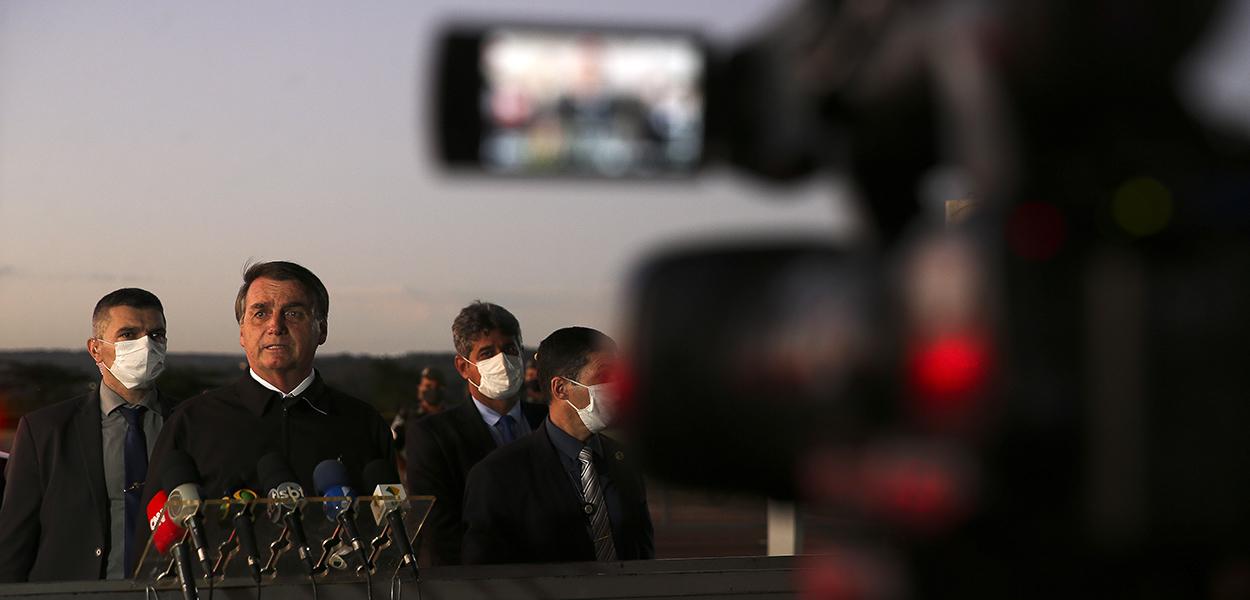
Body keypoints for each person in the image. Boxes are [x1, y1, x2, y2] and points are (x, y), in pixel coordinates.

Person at [143, 261, 393, 506]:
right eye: (260, 313)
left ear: (322, 329)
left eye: (293, 313)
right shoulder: (192, 422)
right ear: (242, 331)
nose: (275, 326)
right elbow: (154, 540)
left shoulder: (363, 424)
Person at [0, 288, 179, 582]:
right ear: (96, 348)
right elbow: (14, 542)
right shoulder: (45, 430)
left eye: (156, 335)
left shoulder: (189, 423)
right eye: (129, 335)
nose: (146, 346)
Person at [462, 327, 654, 565]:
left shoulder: (624, 460)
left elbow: (643, 553)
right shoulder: (498, 474)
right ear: (560, 388)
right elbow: (484, 575)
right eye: (605, 376)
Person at [405, 301, 546, 565]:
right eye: (486, 354)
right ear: (463, 367)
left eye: (509, 349)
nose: (501, 361)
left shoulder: (548, 421)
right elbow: (441, 533)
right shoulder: (433, 436)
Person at [392, 366, 448, 481]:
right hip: (415, 476)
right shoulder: (407, 415)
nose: (431, 390)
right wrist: (404, 469)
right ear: (420, 388)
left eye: (435, 387)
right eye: (427, 386)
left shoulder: (451, 415)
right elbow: (390, 445)